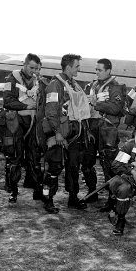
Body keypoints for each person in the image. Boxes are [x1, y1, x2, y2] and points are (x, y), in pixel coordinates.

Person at [42, 54, 90, 213]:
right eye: (77, 66)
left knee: (73, 166)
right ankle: (48, 199)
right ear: (68, 67)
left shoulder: (74, 85)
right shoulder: (55, 85)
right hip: (60, 133)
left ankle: (73, 197)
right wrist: (57, 133)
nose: (79, 69)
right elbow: (50, 111)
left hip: (74, 134)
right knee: (55, 167)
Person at [82, 58, 126, 207]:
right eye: (96, 69)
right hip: (92, 128)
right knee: (87, 161)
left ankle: (112, 198)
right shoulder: (92, 85)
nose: (97, 72)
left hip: (108, 130)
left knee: (108, 165)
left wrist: (97, 103)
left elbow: (116, 109)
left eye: (99, 70)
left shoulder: (116, 87)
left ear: (108, 70)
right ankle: (92, 191)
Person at [0, 53, 43, 203]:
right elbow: (7, 101)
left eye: (36, 68)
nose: (34, 71)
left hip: (32, 123)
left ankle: (38, 190)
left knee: (34, 157)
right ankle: (13, 191)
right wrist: (25, 105)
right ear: (24, 65)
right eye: (31, 67)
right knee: (15, 158)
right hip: (16, 123)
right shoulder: (11, 79)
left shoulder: (38, 81)